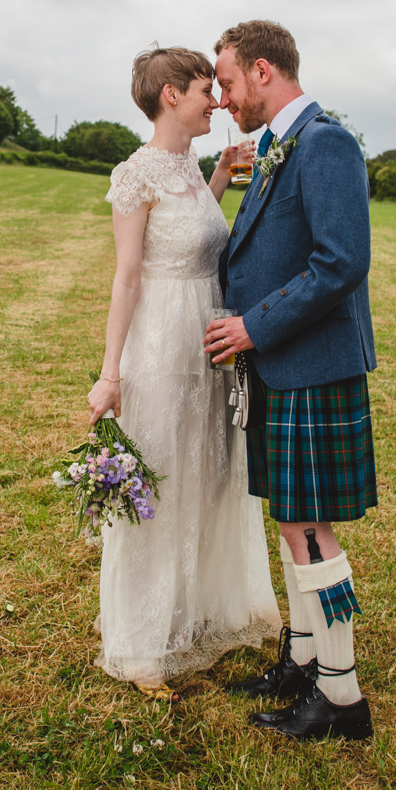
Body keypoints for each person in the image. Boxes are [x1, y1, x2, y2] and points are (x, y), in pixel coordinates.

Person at [85, 45, 282, 696]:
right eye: (205, 90)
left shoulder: (192, 165)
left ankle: (191, 612)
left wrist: (222, 172)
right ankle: (141, 644)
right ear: (172, 95)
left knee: (208, 473)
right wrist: (110, 373)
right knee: (162, 482)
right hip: (163, 347)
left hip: (210, 341)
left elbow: (198, 237)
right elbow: (128, 276)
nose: (217, 100)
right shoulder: (137, 173)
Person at [203, 19, 378, 741]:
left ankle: (342, 698)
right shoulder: (282, 145)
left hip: (309, 363)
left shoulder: (325, 142)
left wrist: (253, 326)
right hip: (285, 365)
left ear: (265, 70)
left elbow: (340, 262)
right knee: (291, 518)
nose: (222, 97)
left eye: (228, 81)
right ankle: (306, 661)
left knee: (310, 527)